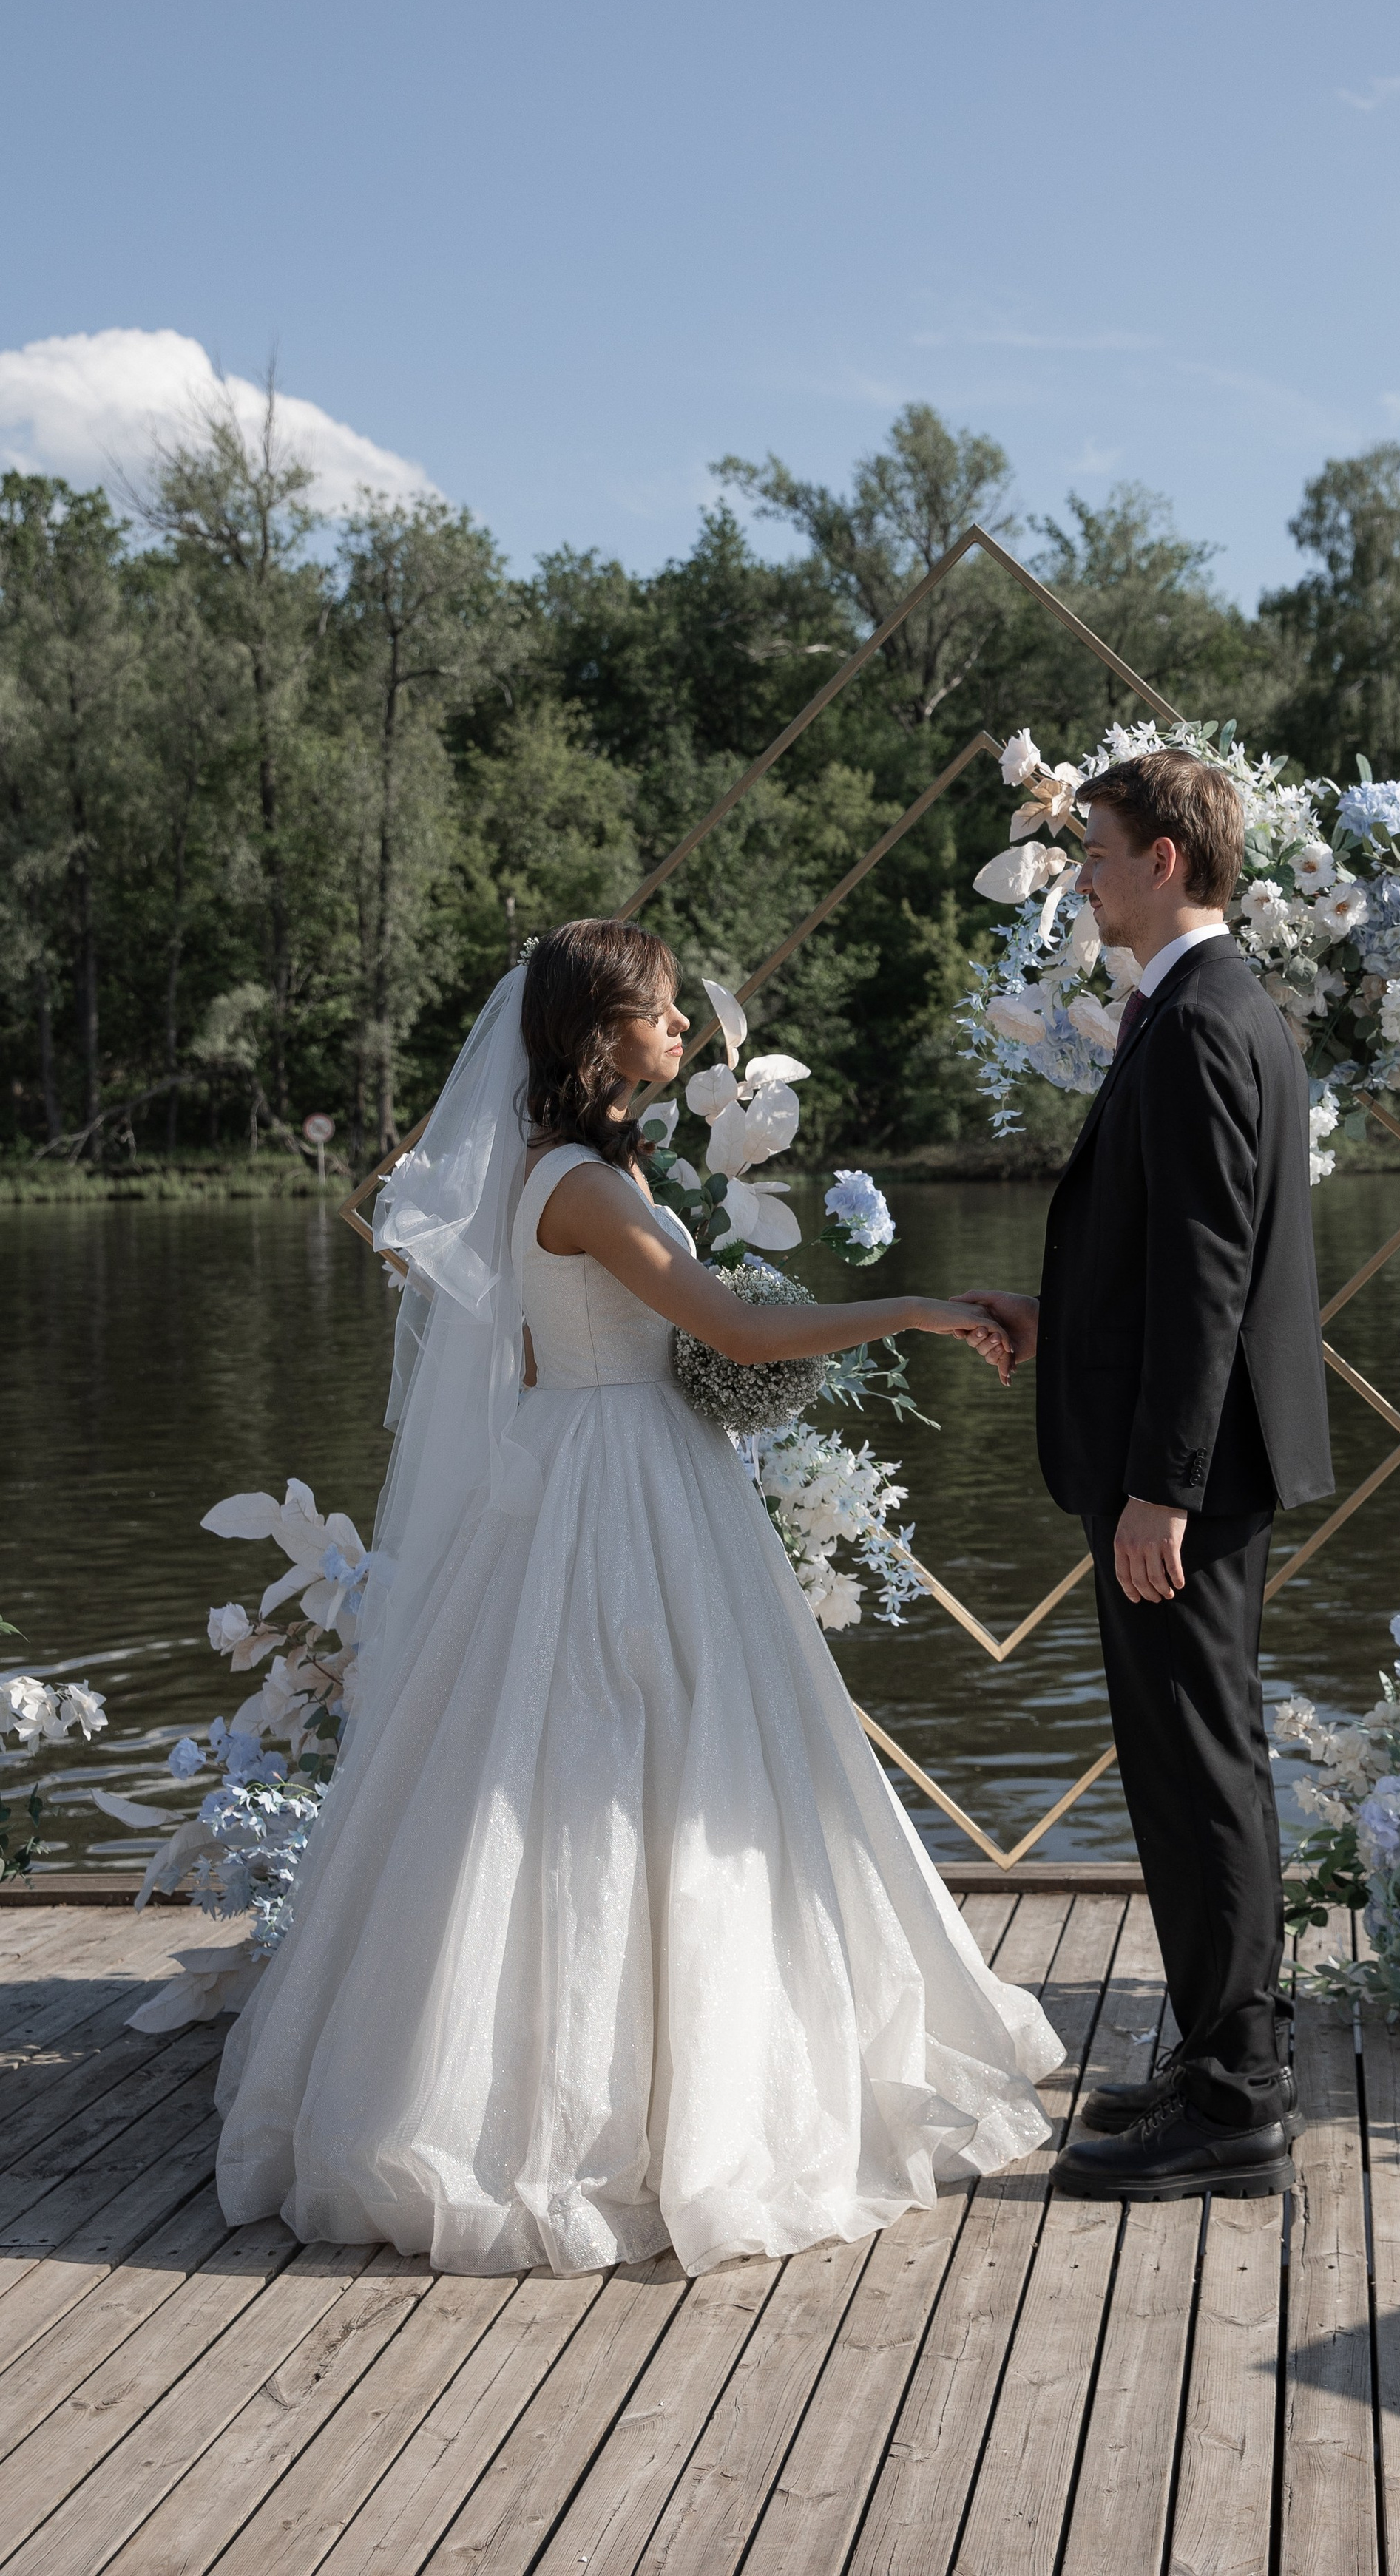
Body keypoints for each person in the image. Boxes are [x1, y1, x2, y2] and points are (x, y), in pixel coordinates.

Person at [214, 918, 1061, 2278]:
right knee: (616, 1761)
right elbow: (730, 1330)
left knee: (621, 1759)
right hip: (617, 1480)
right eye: (661, 1012)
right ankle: (587, 2111)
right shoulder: (583, 1187)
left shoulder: (583, 1169)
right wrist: (913, 1306)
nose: (681, 1031)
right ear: (597, 1032)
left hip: (611, 1457)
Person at [962, 750, 1333, 2201]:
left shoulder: (1194, 1022)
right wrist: (1065, 1326)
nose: (1086, 877)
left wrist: (1161, 1488)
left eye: (1100, 852)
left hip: (1185, 1471)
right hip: (1189, 1453)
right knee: (1197, 1763)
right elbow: (1173, 1252)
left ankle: (1235, 2099)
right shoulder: (1212, 1007)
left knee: (1197, 1772)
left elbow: (1206, 1271)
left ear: (1167, 857)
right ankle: (1214, 2054)